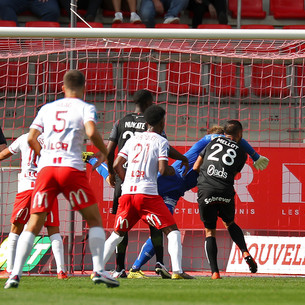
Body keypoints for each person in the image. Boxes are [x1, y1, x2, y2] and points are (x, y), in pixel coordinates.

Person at [4, 70, 119, 289]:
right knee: (94, 219)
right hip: (70, 169)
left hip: (46, 171)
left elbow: (31, 138)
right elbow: (92, 131)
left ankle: (14, 274)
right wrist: (104, 151)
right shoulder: (85, 108)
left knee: (34, 222)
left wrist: (42, 155)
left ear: (63, 87)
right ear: (84, 88)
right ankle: (98, 270)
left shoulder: (46, 108)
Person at [126, 125, 269, 278]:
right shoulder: (209, 140)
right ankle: (128, 266)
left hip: (174, 193)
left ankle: (135, 269)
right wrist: (255, 155)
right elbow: (234, 139)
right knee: (131, 221)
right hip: (168, 180)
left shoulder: (213, 158)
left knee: (163, 228)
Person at [102, 105, 194, 280]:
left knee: (117, 234)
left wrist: (125, 180)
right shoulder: (160, 141)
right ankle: (177, 271)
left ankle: (98, 270)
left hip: (127, 194)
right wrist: (172, 172)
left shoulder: (132, 140)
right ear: (162, 123)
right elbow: (163, 169)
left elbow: (115, 165)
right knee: (172, 231)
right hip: (148, 195)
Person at [193, 120, 258, 279]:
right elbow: (233, 174)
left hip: (206, 190)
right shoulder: (242, 152)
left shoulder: (213, 142)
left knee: (210, 231)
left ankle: (215, 272)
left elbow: (195, 167)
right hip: (225, 190)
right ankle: (245, 252)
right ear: (240, 134)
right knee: (229, 223)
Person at [0, 134, 67, 280]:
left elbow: (5, 153)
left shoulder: (24, 138)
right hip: (47, 189)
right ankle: (61, 271)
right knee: (53, 230)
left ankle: (10, 269)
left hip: (27, 189)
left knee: (15, 230)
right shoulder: (55, 140)